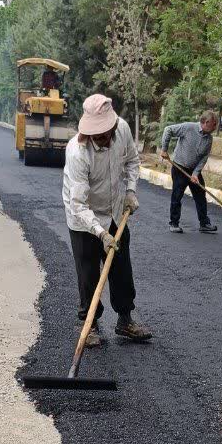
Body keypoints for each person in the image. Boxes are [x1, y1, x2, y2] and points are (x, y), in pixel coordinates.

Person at [62, 94, 154, 347]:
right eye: (96, 135)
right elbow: (78, 204)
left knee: (121, 267)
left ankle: (125, 320)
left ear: (113, 126)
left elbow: (132, 162)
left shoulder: (122, 130)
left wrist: (131, 191)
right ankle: (89, 325)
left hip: (114, 212)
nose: (102, 139)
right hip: (84, 219)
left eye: (105, 133)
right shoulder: (78, 153)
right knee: (89, 272)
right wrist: (100, 234)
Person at [160, 111, 219, 234]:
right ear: (206, 122)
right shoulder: (188, 127)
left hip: (193, 170)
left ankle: (204, 224)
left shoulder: (209, 138)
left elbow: (204, 158)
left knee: (200, 195)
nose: (215, 127)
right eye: (214, 125)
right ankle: (174, 223)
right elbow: (168, 130)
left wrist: (195, 173)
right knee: (177, 195)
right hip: (179, 167)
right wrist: (164, 149)